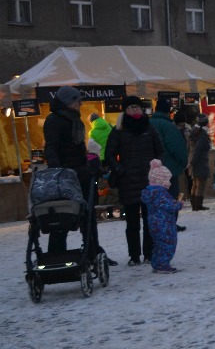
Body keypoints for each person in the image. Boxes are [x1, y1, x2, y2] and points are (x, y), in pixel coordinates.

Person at [42, 86, 103, 259]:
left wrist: (88, 166)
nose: (80, 104)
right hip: (65, 176)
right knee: (62, 215)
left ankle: (93, 250)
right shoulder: (54, 120)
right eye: (78, 101)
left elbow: (79, 148)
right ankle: (56, 254)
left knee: (87, 215)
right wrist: (57, 172)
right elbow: (51, 148)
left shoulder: (74, 119)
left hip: (81, 173)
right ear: (68, 101)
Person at [106, 95, 164, 266]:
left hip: (148, 180)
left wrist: (157, 166)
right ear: (125, 110)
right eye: (131, 107)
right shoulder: (119, 130)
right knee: (132, 223)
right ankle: (134, 256)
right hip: (128, 182)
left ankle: (149, 254)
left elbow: (160, 150)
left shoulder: (149, 127)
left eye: (137, 107)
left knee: (149, 221)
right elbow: (109, 154)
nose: (135, 109)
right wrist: (120, 169)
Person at [149, 98, 189, 230]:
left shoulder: (148, 124)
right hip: (168, 168)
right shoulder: (167, 125)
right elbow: (176, 147)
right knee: (171, 197)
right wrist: (183, 162)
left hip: (151, 170)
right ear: (168, 111)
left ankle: (157, 223)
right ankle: (170, 223)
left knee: (156, 198)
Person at [142, 158, 182, 274]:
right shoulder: (160, 193)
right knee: (167, 244)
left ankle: (157, 263)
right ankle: (162, 265)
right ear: (162, 180)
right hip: (164, 225)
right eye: (167, 180)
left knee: (158, 244)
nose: (169, 182)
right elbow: (170, 206)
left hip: (154, 223)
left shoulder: (151, 192)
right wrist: (178, 204)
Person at [187, 114, 211, 211]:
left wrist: (191, 161)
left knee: (195, 183)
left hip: (192, 159)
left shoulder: (193, 132)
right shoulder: (203, 134)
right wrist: (193, 162)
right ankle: (198, 205)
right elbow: (199, 149)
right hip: (200, 161)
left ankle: (194, 204)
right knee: (200, 184)